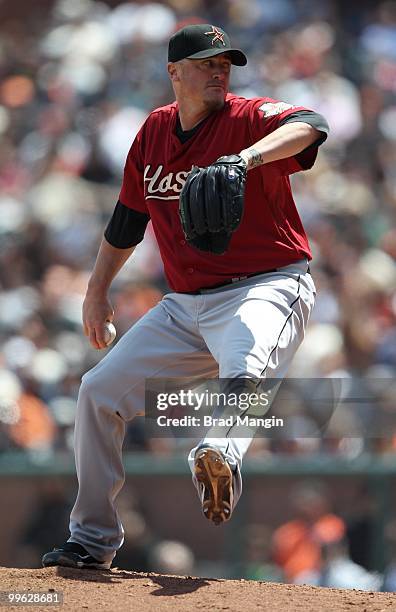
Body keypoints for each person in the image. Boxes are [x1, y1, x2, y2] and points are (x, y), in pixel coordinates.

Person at [42, 23, 328, 570]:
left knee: (246, 359)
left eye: (225, 63)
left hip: (267, 284)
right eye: (206, 63)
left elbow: (312, 126)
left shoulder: (247, 118)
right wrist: (96, 292)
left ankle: (221, 450)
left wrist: (245, 159)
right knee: (98, 391)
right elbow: (128, 219)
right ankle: (92, 540)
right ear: (175, 72)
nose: (220, 71)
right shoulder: (153, 131)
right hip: (186, 304)